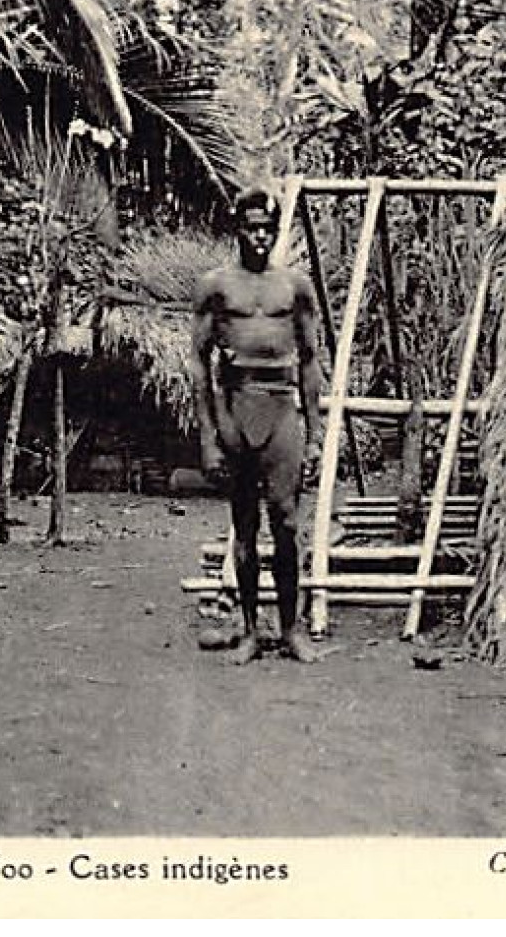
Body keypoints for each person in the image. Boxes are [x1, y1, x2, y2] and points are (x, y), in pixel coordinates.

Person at [189, 186, 325, 664]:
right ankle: (249, 631)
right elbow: (198, 363)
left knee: (286, 524)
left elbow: (309, 362)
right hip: (235, 407)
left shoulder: (295, 287)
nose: (259, 237)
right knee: (243, 527)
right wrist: (208, 437)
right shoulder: (217, 286)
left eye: (267, 229)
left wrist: (315, 434)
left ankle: (291, 628)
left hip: (281, 409)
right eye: (251, 228)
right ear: (237, 230)